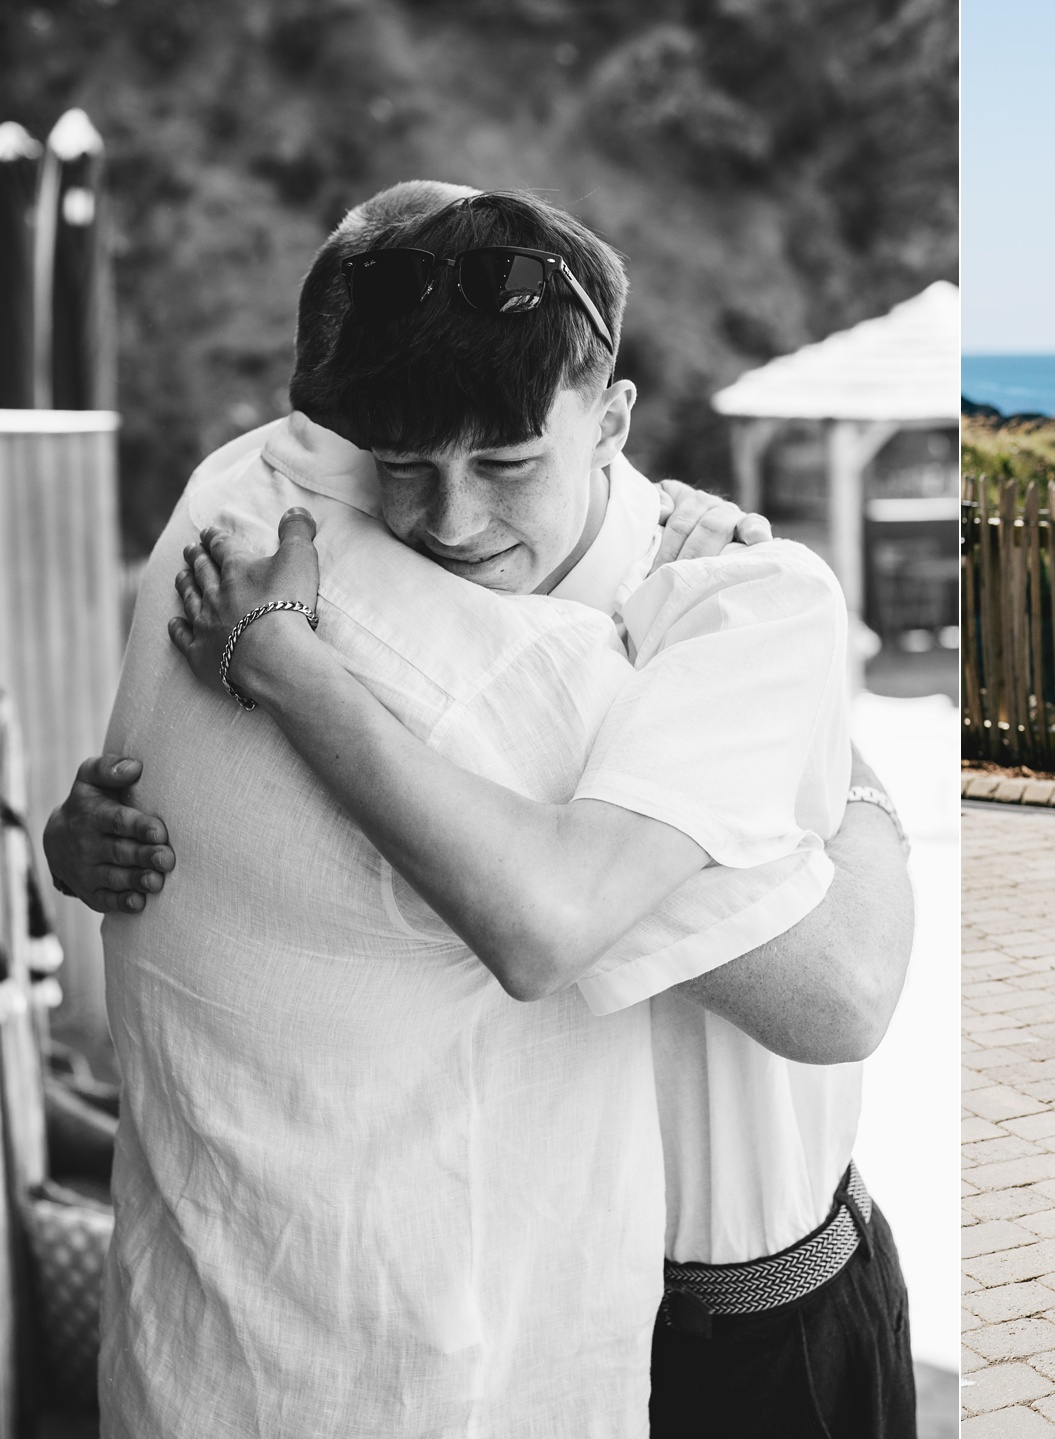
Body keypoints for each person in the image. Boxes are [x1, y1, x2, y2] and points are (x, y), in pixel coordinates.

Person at [50, 185, 916, 1436]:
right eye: (401, 465)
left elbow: (840, 993)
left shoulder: (729, 599)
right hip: (563, 1313)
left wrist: (839, 760)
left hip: (759, 1303)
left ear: (610, 422)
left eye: (506, 466)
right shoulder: (326, 557)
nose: (450, 521)